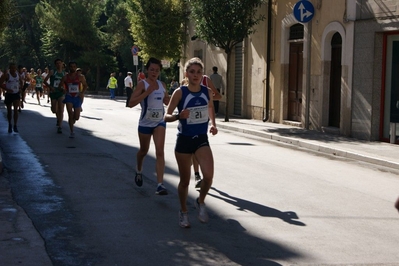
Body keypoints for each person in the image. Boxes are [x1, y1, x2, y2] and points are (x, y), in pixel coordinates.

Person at [164, 57, 218, 228]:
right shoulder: (180, 92)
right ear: (186, 73)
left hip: (201, 139)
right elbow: (166, 116)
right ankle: (183, 211)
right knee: (185, 181)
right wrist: (179, 116)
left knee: (208, 176)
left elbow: (210, 107)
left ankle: (200, 201)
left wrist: (214, 124)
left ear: (202, 74)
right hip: (184, 140)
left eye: (199, 72)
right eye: (192, 72)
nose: (195, 75)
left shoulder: (207, 91)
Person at [128, 57, 170, 195]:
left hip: (159, 122)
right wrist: (147, 92)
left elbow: (167, 102)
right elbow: (131, 103)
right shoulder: (142, 84)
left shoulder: (162, 85)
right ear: (147, 70)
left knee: (160, 151)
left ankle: (160, 184)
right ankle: (139, 169)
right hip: (145, 122)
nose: (154, 72)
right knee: (144, 151)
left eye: (157, 70)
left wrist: (167, 100)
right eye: (152, 69)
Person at [59, 61, 88, 138]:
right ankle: (72, 131)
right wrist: (63, 89)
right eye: (71, 66)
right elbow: (60, 86)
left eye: (74, 66)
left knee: (76, 117)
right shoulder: (65, 77)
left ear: (76, 67)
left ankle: (73, 119)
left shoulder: (80, 77)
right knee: (69, 113)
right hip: (68, 96)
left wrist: (82, 92)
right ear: (69, 67)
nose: (73, 68)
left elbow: (85, 85)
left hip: (77, 97)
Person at [0, 63, 23, 133]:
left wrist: (20, 88)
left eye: (14, 68)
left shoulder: (17, 74)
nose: (13, 69)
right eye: (12, 68)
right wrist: (7, 89)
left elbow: (21, 81)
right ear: (9, 68)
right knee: (9, 111)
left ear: (16, 68)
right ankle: (10, 124)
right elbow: (0, 83)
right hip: (9, 94)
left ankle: (15, 125)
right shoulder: (6, 75)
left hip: (16, 94)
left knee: (15, 110)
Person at [44, 58, 66, 133]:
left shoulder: (64, 73)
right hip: (53, 92)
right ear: (55, 64)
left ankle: (60, 126)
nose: (59, 64)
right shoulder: (52, 72)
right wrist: (50, 87)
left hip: (61, 93)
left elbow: (67, 83)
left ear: (62, 63)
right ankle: (58, 118)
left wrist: (65, 89)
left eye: (60, 63)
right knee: (54, 110)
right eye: (57, 63)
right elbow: (45, 81)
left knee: (61, 109)